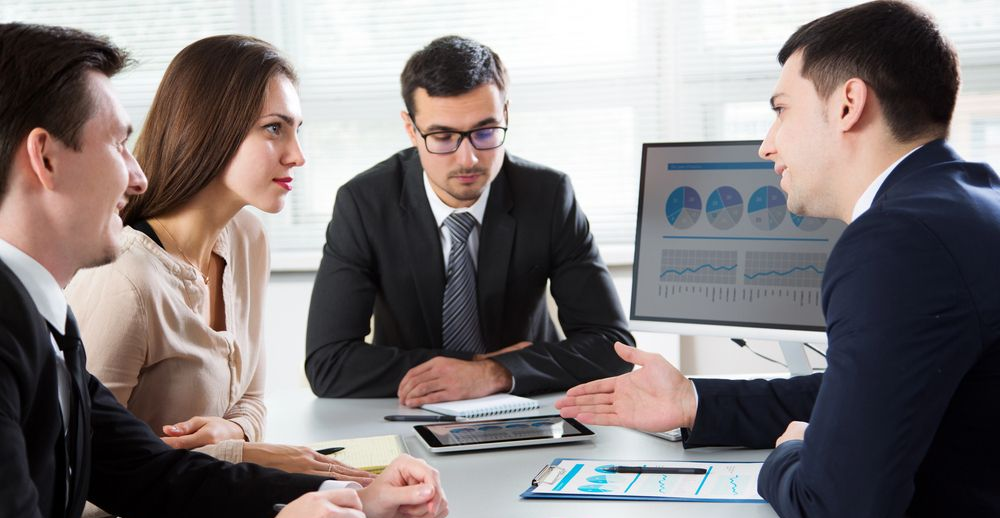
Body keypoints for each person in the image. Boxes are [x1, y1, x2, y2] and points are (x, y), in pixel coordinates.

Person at [557, 1, 1000, 517]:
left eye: (782, 109)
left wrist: (787, 454)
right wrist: (691, 402)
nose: (768, 145)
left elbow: (835, 506)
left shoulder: (895, 241)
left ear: (847, 104)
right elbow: (865, 392)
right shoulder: (970, 199)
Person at [0, 22, 447, 518]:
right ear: (44, 157)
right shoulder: (88, 294)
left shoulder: (45, 316)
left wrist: (339, 497)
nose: (137, 175)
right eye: (117, 144)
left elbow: (150, 474)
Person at [64, 35, 372, 487]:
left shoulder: (248, 239)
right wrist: (243, 454)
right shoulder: (124, 280)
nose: (297, 155)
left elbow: (252, 399)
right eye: (274, 128)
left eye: (296, 129)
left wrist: (234, 431)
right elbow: (79, 472)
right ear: (211, 128)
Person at [305, 35, 635, 404]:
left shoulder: (548, 194)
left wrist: (496, 373)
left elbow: (613, 347)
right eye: (443, 136)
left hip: (530, 404)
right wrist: (474, 367)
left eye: (485, 132)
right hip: (409, 410)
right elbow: (328, 364)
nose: (468, 159)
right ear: (411, 129)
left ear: (505, 115)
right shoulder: (364, 203)